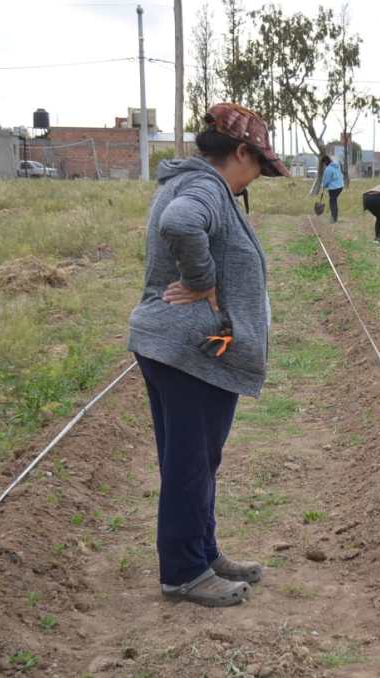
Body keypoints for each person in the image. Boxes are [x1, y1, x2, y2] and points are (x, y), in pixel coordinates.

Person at [127, 103, 289, 607]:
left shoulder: (192, 182)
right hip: (190, 351)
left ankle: (202, 550)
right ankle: (183, 572)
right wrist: (203, 282)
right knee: (190, 465)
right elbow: (181, 224)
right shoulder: (204, 188)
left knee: (196, 460)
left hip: (180, 348)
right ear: (240, 152)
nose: (255, 178)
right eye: (258, 166)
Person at [320, 155, 345, 223]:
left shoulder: (328, 169)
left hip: (334, 188)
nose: (324, 165)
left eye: (324, 163)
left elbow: (326, 181)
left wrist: (323, 186)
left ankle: (333, 219)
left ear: (325, 162)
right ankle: (334, 217)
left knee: (332, 202)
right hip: (340, 186)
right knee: (334, 201)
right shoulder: (336, 165)